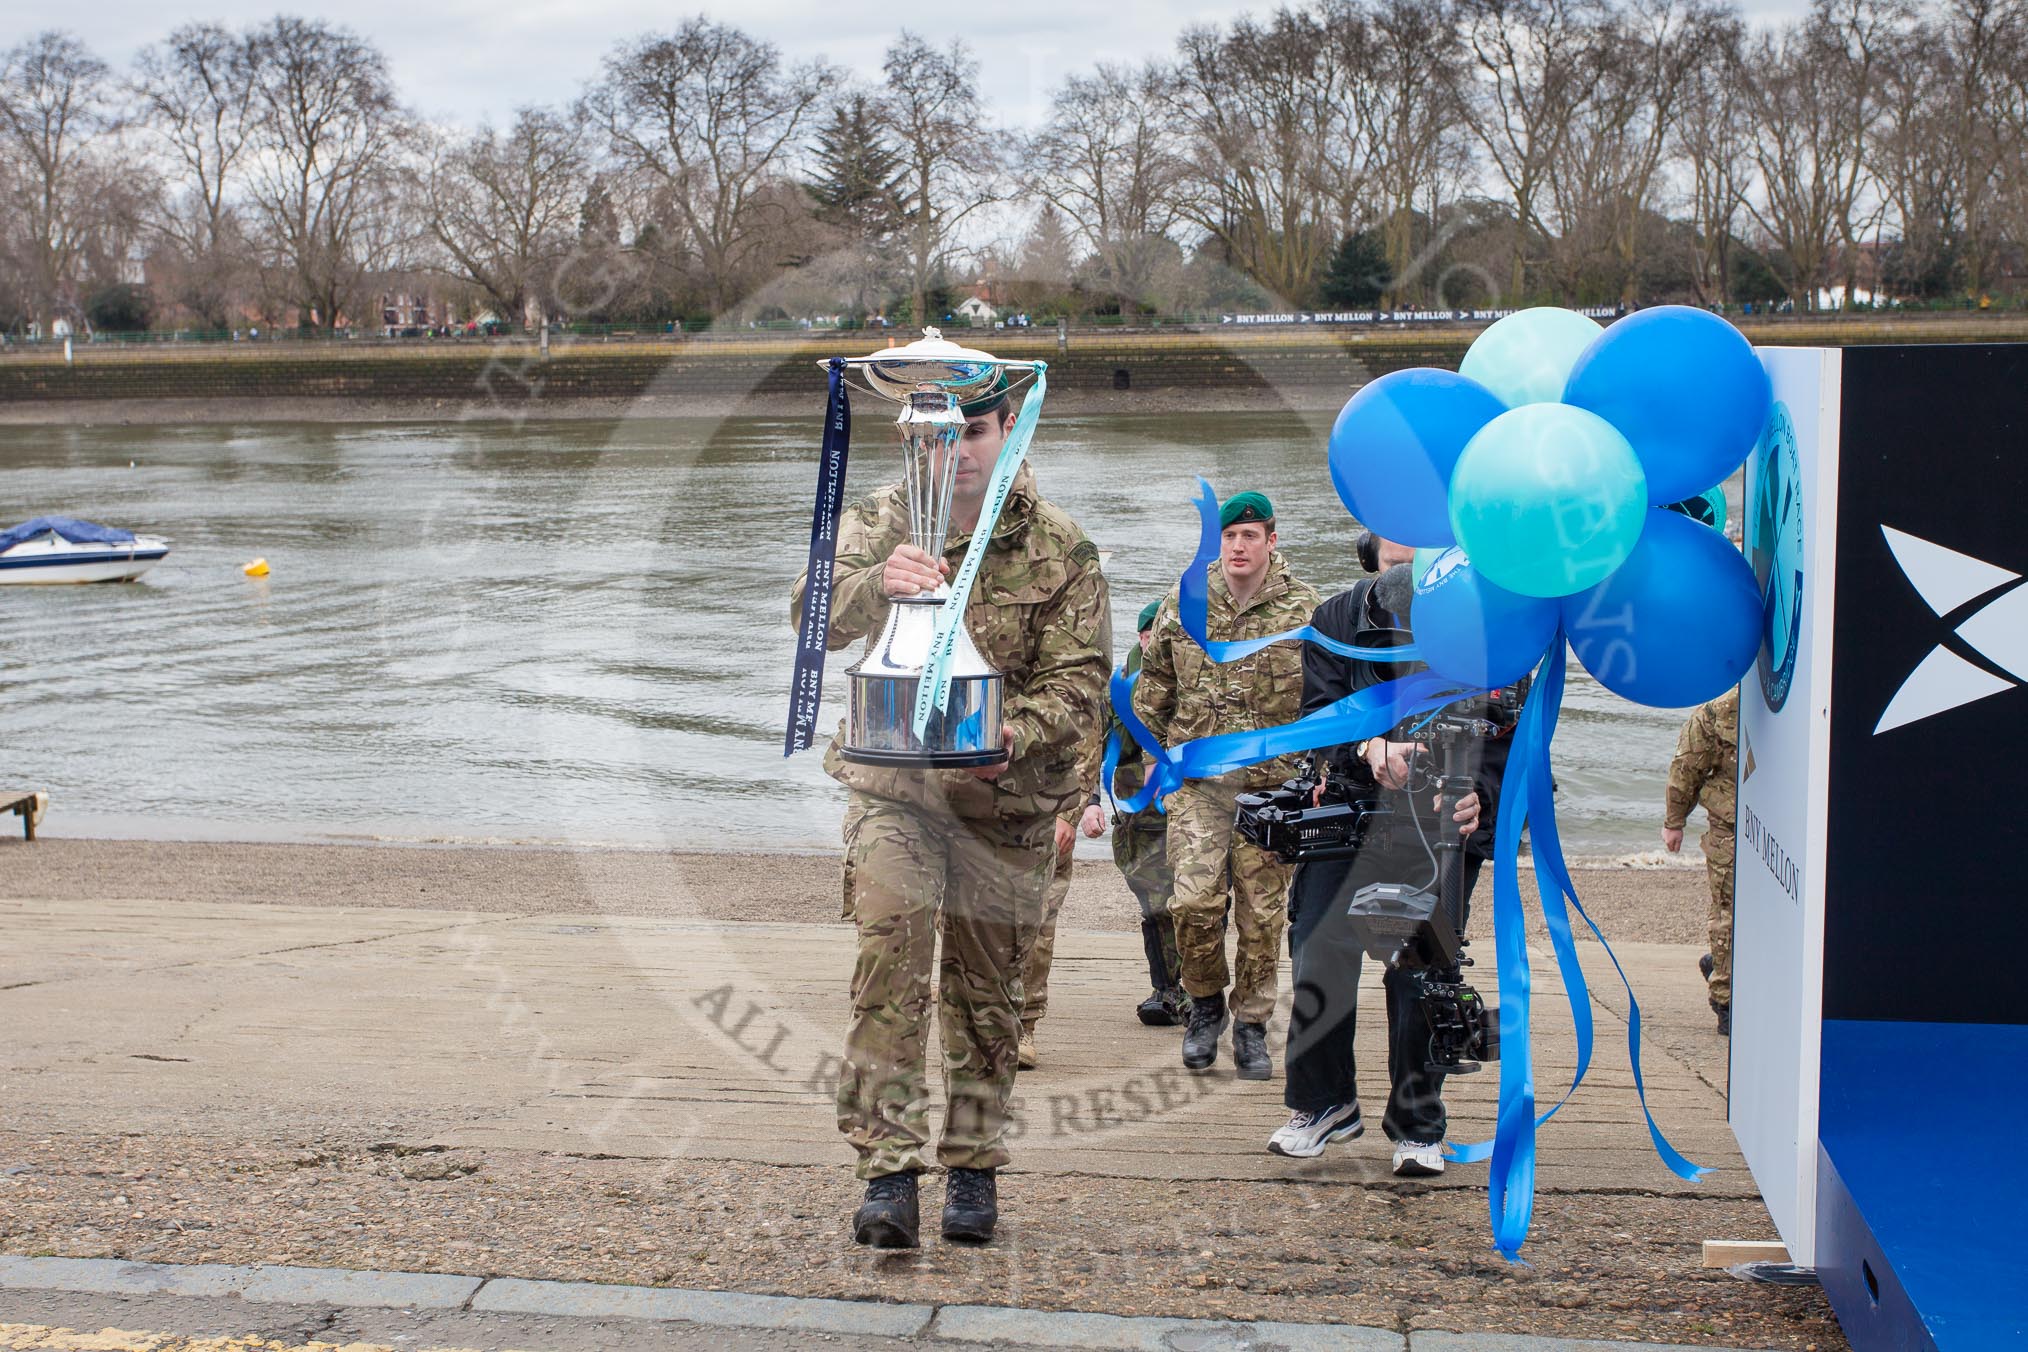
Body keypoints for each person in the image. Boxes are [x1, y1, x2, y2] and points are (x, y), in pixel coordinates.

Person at [789, 374, 1109, 1249]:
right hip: (893, 788)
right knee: (888, 962)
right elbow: (807, 618)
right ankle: (888, 1175)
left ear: (1011, 429)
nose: (959, 447)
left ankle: (973, 1171)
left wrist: (1017, 733)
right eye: (944, 431)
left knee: (988, 995)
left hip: (1004, 803)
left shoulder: (1061, 547)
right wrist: (873, 587)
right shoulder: (884, 517)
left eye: (976, 430)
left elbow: (1082, 685)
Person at [1268, 532, 1502, 1177]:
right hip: (1350, 813)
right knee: (1319, 948)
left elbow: (1512, 731)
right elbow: (1318, 717)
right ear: (1369, 550)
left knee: (1420, 967)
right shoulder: (1333, 618)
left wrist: (1479, 796)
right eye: (1394, 551)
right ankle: (1323, 1104)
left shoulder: (1489, 619)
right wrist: (1369, 749)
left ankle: (1418, 1125)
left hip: (1440, 821)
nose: (1407, 561)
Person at [1133, 491, 1321, 1080]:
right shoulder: (1185, 598)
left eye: (1250, 536)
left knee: (1262, 918)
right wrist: (1151, 760)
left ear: (1271, 539)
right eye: (1228, 537)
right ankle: (1206, 1005)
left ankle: (1251, 1025)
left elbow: (1329, 698)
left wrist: (1318, 776)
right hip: (1198, 785)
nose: (1238, 547)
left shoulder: (1305, 610)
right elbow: (1154, 685)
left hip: (1273, 791)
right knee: (1192, 901)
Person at [1017, 626, 1113, 1070]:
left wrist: (1068, 815)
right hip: (978, 799)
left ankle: (1023, 1024)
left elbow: (1088, 742)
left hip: (1049, 805)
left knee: (1037, 921)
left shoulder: (1072, 656)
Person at [1105, 599, 1188, 1026]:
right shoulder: (1123, 684)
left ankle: (1194, 990)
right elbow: (1103, 748)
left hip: (1188, 807)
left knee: (1194, 901)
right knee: (1155, 905)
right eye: (1154, 632)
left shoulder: (1189, 674)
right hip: (1142, 815)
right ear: (1142, 637)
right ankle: (1167, 988)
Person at [1664, 686, 1740, 1035]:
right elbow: (1687, 766)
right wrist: (1674, 822)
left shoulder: (1792, 707)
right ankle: (1724, 999)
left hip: (1779, 827)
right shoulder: (1720, 711)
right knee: (1728, 911)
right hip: (1730, 827)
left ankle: (1723, 970)